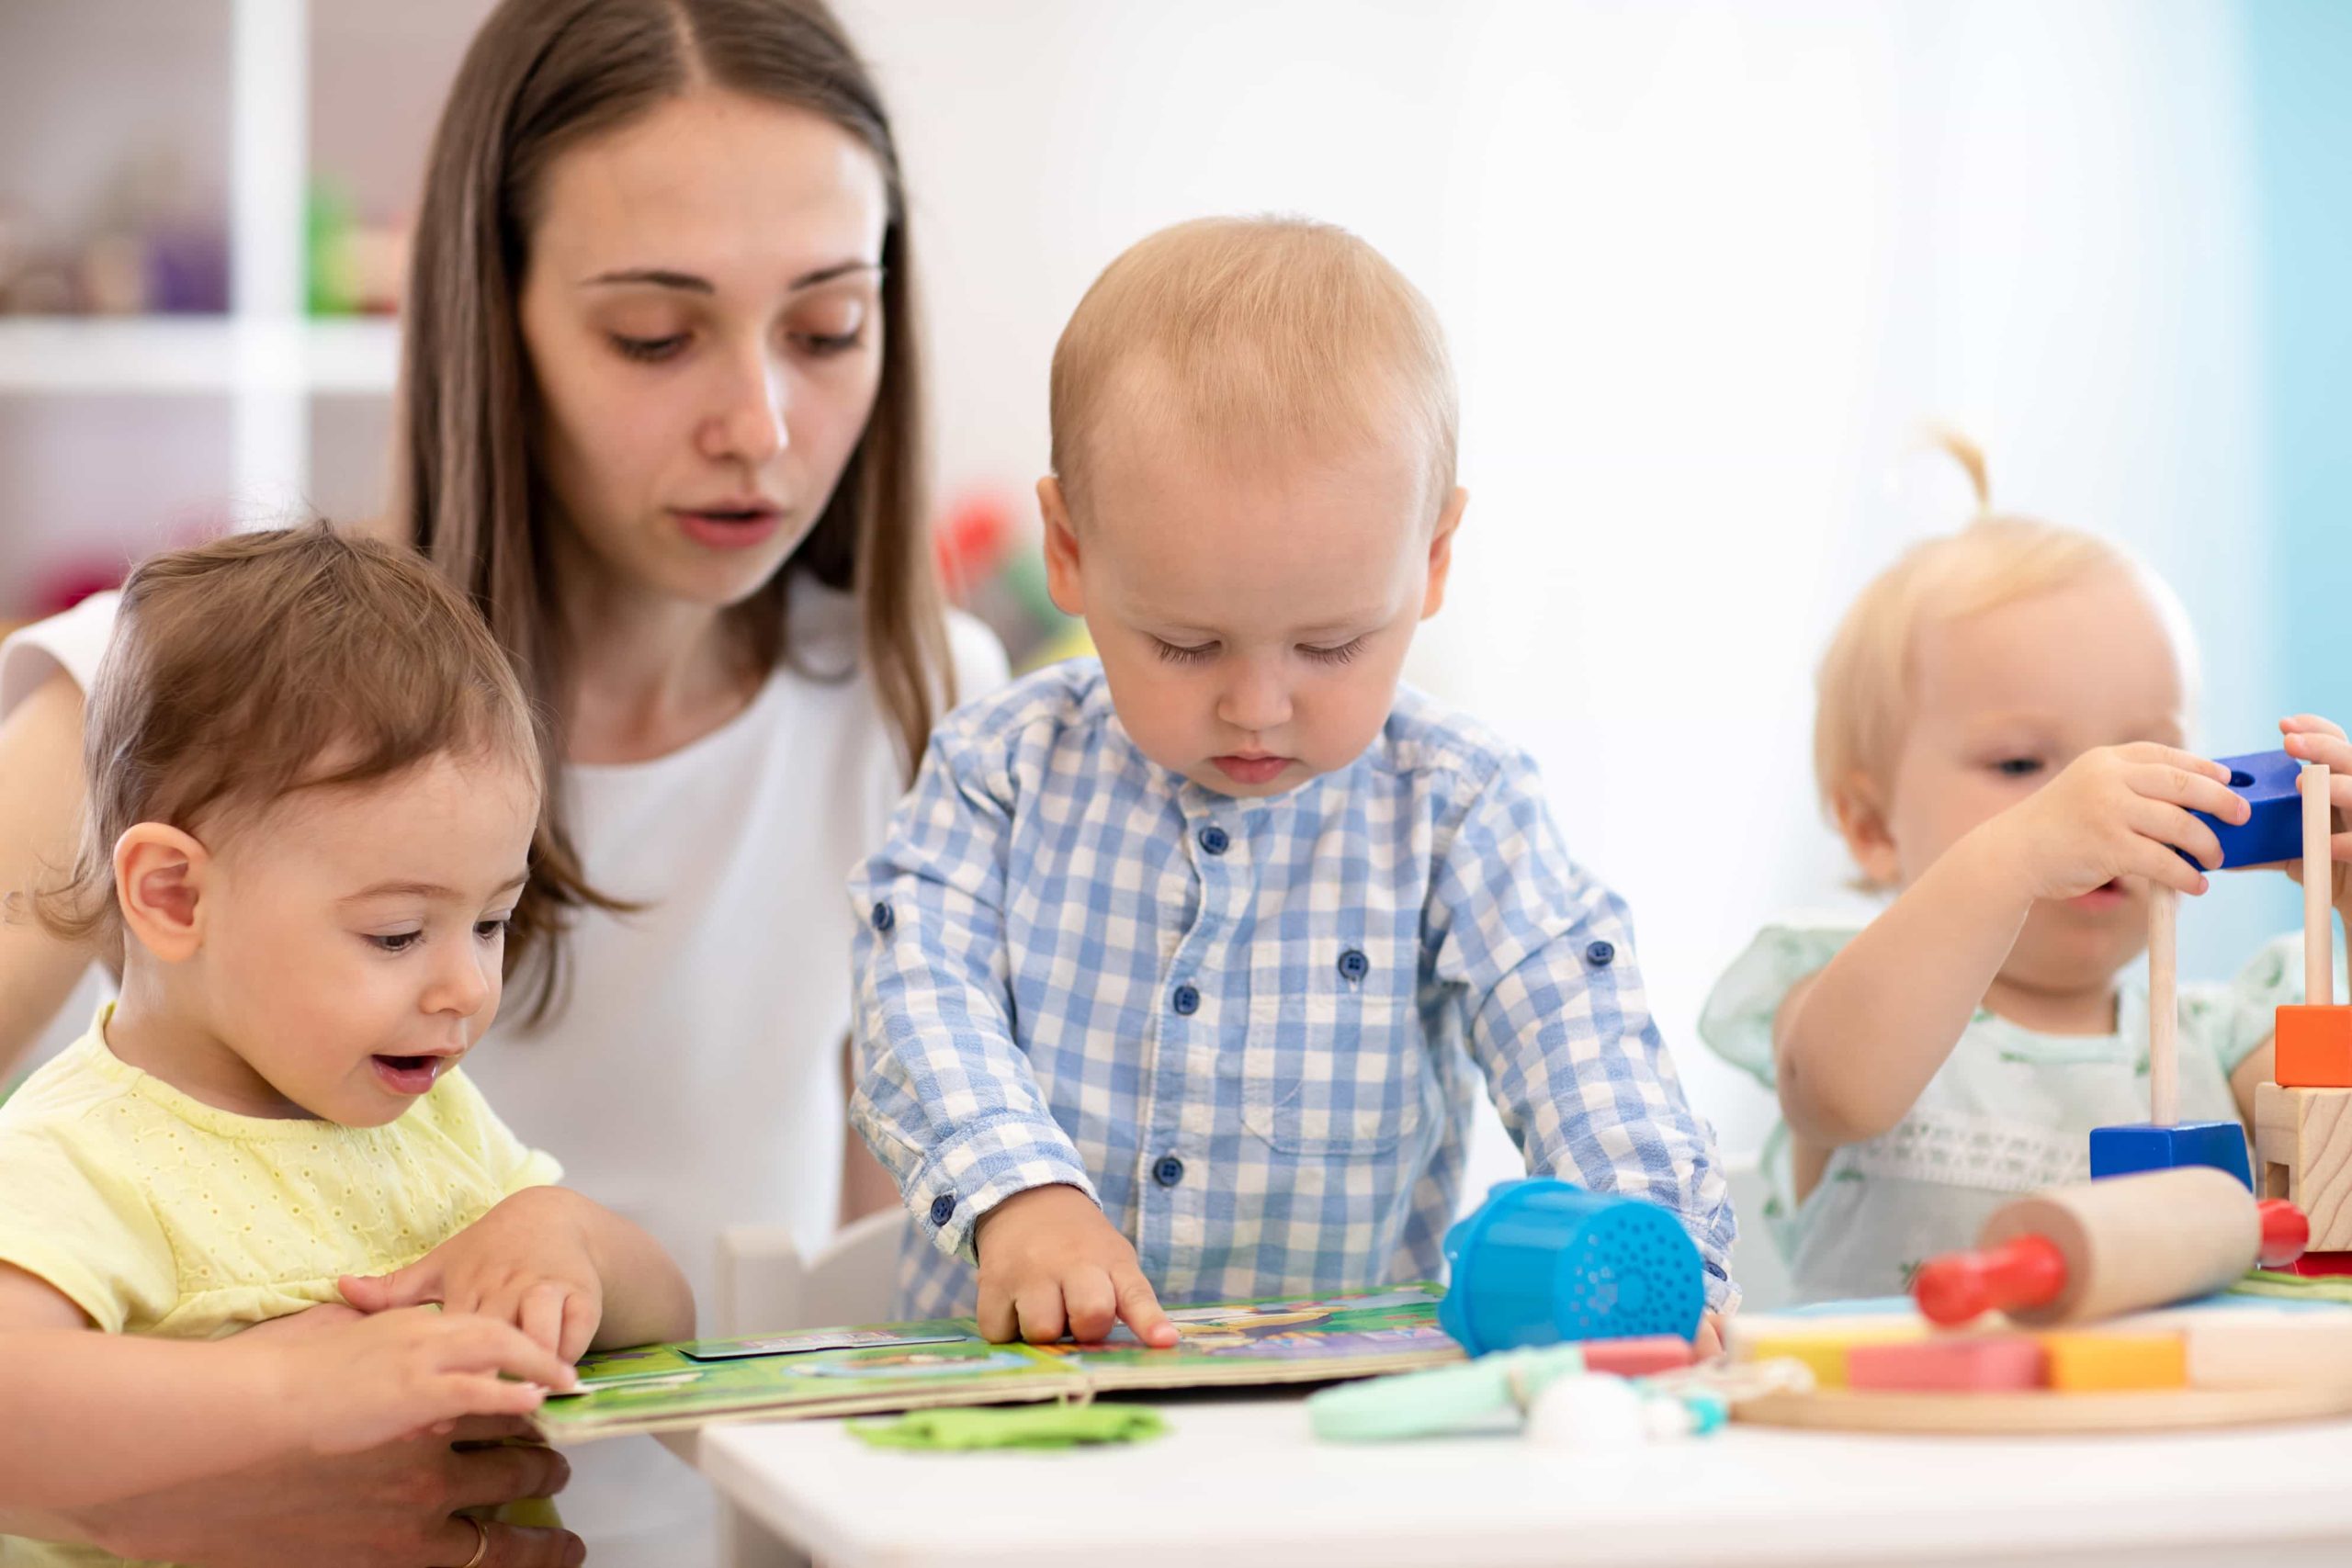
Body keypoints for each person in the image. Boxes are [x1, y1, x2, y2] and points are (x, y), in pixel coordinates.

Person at [0, 1, 1002, 1560]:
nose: (762, 424)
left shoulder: (925, 708)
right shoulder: (158, 701)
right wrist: (188, 1482)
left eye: (826, 325)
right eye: (655, 336)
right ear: (491, 312)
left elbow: (876, 1295)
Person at [849, 216, 1735, 1350]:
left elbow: (1575, 1027)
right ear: (1068, 548)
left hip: (1328, 1421)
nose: (1257, 705)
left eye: (1330, 648)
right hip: (1006, 1409)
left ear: (1432, 558)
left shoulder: (1457, 806)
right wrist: (1021, 1195)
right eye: (1183, 644)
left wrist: (1653, 1248)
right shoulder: (999, 773)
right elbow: (916, 993)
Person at [0, 525, 694, 1568]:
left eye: (492, 922)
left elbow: (667, 1316)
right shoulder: (77, 1152)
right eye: (397, 934)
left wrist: (565, 1238)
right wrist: (301, 1393)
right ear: (174, 895)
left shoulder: (439, 1124)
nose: (465, 985)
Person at [1698, 437, 2333, 1301]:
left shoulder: (2220, 1039)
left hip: (2164, 1426)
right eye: (2022, 766)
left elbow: (2338, 1152)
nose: (2094, 801)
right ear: (1871, 823)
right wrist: (2022, 853)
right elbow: (1837, 1092)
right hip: (1902, 1427)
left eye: (2144, 760)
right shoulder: (1842, 987)